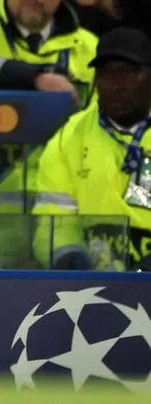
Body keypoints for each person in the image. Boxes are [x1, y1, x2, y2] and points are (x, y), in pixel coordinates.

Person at [32, 27, 151, 271]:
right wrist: (68, 258)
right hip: (97, 283)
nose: (117, 85)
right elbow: (52, 221)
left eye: (128, 73)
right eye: (106, 74)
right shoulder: (69, 137)